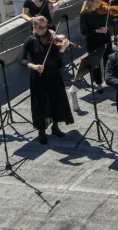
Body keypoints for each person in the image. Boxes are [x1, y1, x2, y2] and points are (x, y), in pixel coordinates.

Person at [20, 16, 75, 144]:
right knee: (41, 103)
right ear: (34, 27)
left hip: (54, 73)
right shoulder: (29, 41)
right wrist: (33, 66)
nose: (44, 30)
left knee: (56, 99)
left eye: (46, 27)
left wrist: (62, 48)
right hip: (39, 77)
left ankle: (55, 127)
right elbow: (21, 60)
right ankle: (42, 131)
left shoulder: (51, 38)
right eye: (40, 27)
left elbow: (56, 56)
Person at [80, 0, 117, 87]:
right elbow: (83, 31)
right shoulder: (84, 14)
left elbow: (110, 21)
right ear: (90, 2)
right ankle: (98, 82)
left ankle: (109, 78)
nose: (100, 3)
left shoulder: (102, 10)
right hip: (93, 40)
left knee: (108, 58)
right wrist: (97, 30)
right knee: (95, 62)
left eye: (100, 0)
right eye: (97, 1)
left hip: (105, 37)